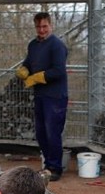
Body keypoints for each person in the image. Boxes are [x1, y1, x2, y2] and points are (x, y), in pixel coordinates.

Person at [16, 12, 69, 181]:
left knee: (52, 131)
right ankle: (48, 164)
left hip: (55, 95)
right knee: (41, 132)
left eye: (45, 26)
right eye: (38, 27)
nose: (41, 30)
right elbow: (28, 62)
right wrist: (24, 69)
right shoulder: (33, 45)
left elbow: (59, 71)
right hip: (40, 94)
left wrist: (39, 77)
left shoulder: (57, 46)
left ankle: (55, 168)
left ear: (50, 26)